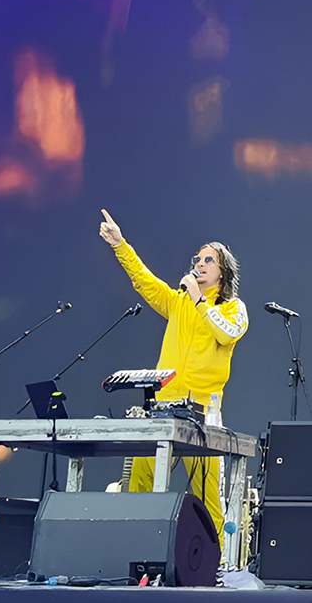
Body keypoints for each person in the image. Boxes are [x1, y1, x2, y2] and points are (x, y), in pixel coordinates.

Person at [98, 208, 248, 537]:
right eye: (196, 259)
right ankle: (131, 554)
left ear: (222, 272)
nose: (198, 264)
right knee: (138, 484)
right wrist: (120, 244)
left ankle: (215, 565)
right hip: (163, 407)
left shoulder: (233, 308)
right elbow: (145, 282)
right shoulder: (178, 302)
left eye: (207, 260)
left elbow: (225, 334)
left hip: (204, 414)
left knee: (207, 495)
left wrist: (198, 300)